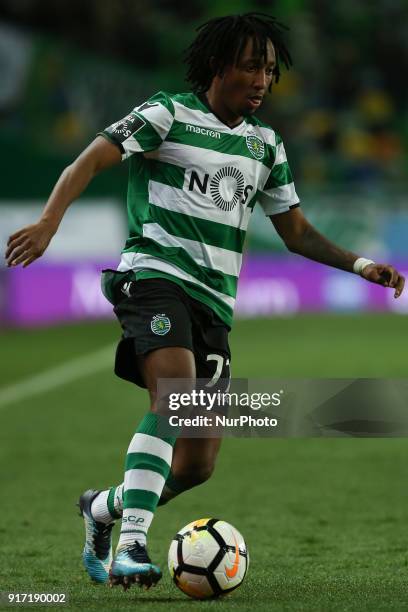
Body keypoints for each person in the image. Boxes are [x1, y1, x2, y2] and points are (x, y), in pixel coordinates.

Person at [5, 13, 405, 591]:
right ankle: (132, 545)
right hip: (155, 277)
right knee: (175, 397)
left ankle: (102, 510)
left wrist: (361, 264)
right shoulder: (167, 113)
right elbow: (90, 158)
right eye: (251, 66)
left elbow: (295, 231)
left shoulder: (266, 145)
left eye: (270, 70)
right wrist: (48, 223)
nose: (263, 80)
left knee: (197, 465)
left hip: (214, 306)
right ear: (219, 67)